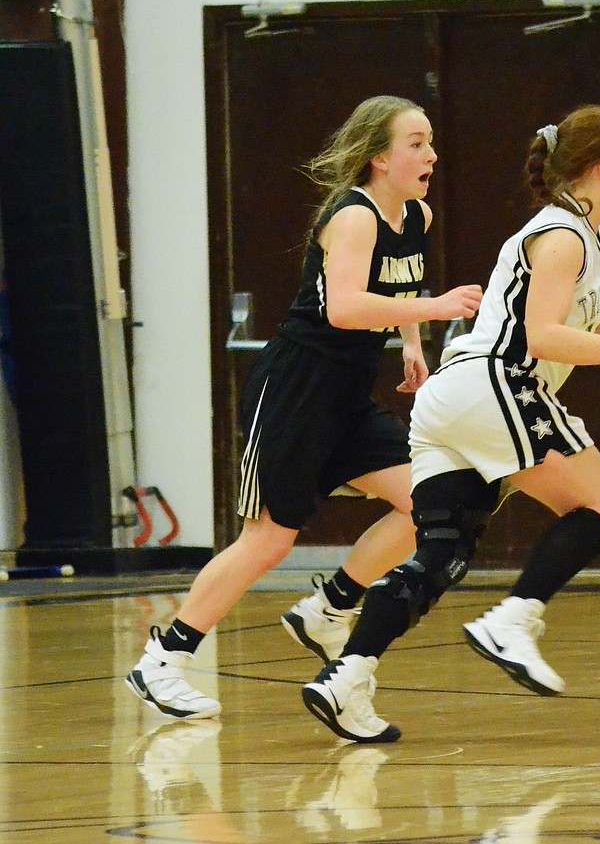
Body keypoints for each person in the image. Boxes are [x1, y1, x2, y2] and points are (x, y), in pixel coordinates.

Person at [301, 104, 600, 743]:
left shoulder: (598, 239)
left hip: (457, 398)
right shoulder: (563, 236)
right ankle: (515, 618)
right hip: (499, 383)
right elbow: (544, 337)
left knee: (443, 553)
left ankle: (346, 674)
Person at [125, 95, 483, 720]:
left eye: (429, 141)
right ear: (379, 156)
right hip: (293, 391)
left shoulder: (416, 215)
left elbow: (397, 284)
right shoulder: (352, 218)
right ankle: (163, 661)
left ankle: (331, 607)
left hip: (347, 396)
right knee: (269, 539)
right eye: (417, 142)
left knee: (431, 496)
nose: (432, 154)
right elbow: (344, 307)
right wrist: (435, 310)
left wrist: (409, 347)